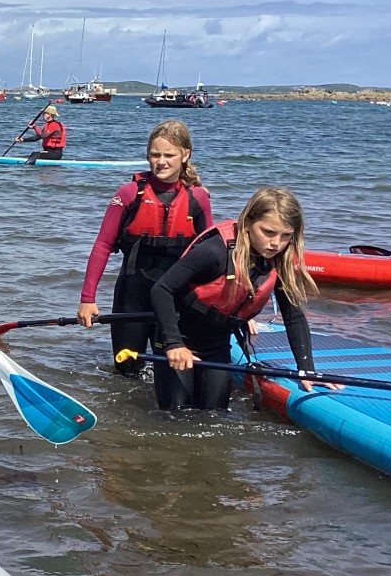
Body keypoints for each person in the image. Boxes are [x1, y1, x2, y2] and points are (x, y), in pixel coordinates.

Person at [148, 187, 338, 411]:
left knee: (215, 415)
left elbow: (293, 316)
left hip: (216, 342)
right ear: (247, 223)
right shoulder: (215, 251)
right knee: (176, 415)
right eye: (268, 232)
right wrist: (173, 344)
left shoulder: (279, 260)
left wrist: (306, 368)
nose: (276, 243)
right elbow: (161, 289)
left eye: (286, 236)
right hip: (178, 334)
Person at [77, 119, 213, 377]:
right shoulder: (129, 194)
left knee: (172, 373)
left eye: (169, 155)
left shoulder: (198, 198)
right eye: (154, 154)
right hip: (132, 296)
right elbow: (103, 245)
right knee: (126, 374)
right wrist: (88, 299)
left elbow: (212, 255)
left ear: (185, 155)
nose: (161, 161)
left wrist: (230, 306)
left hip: (178, 300)